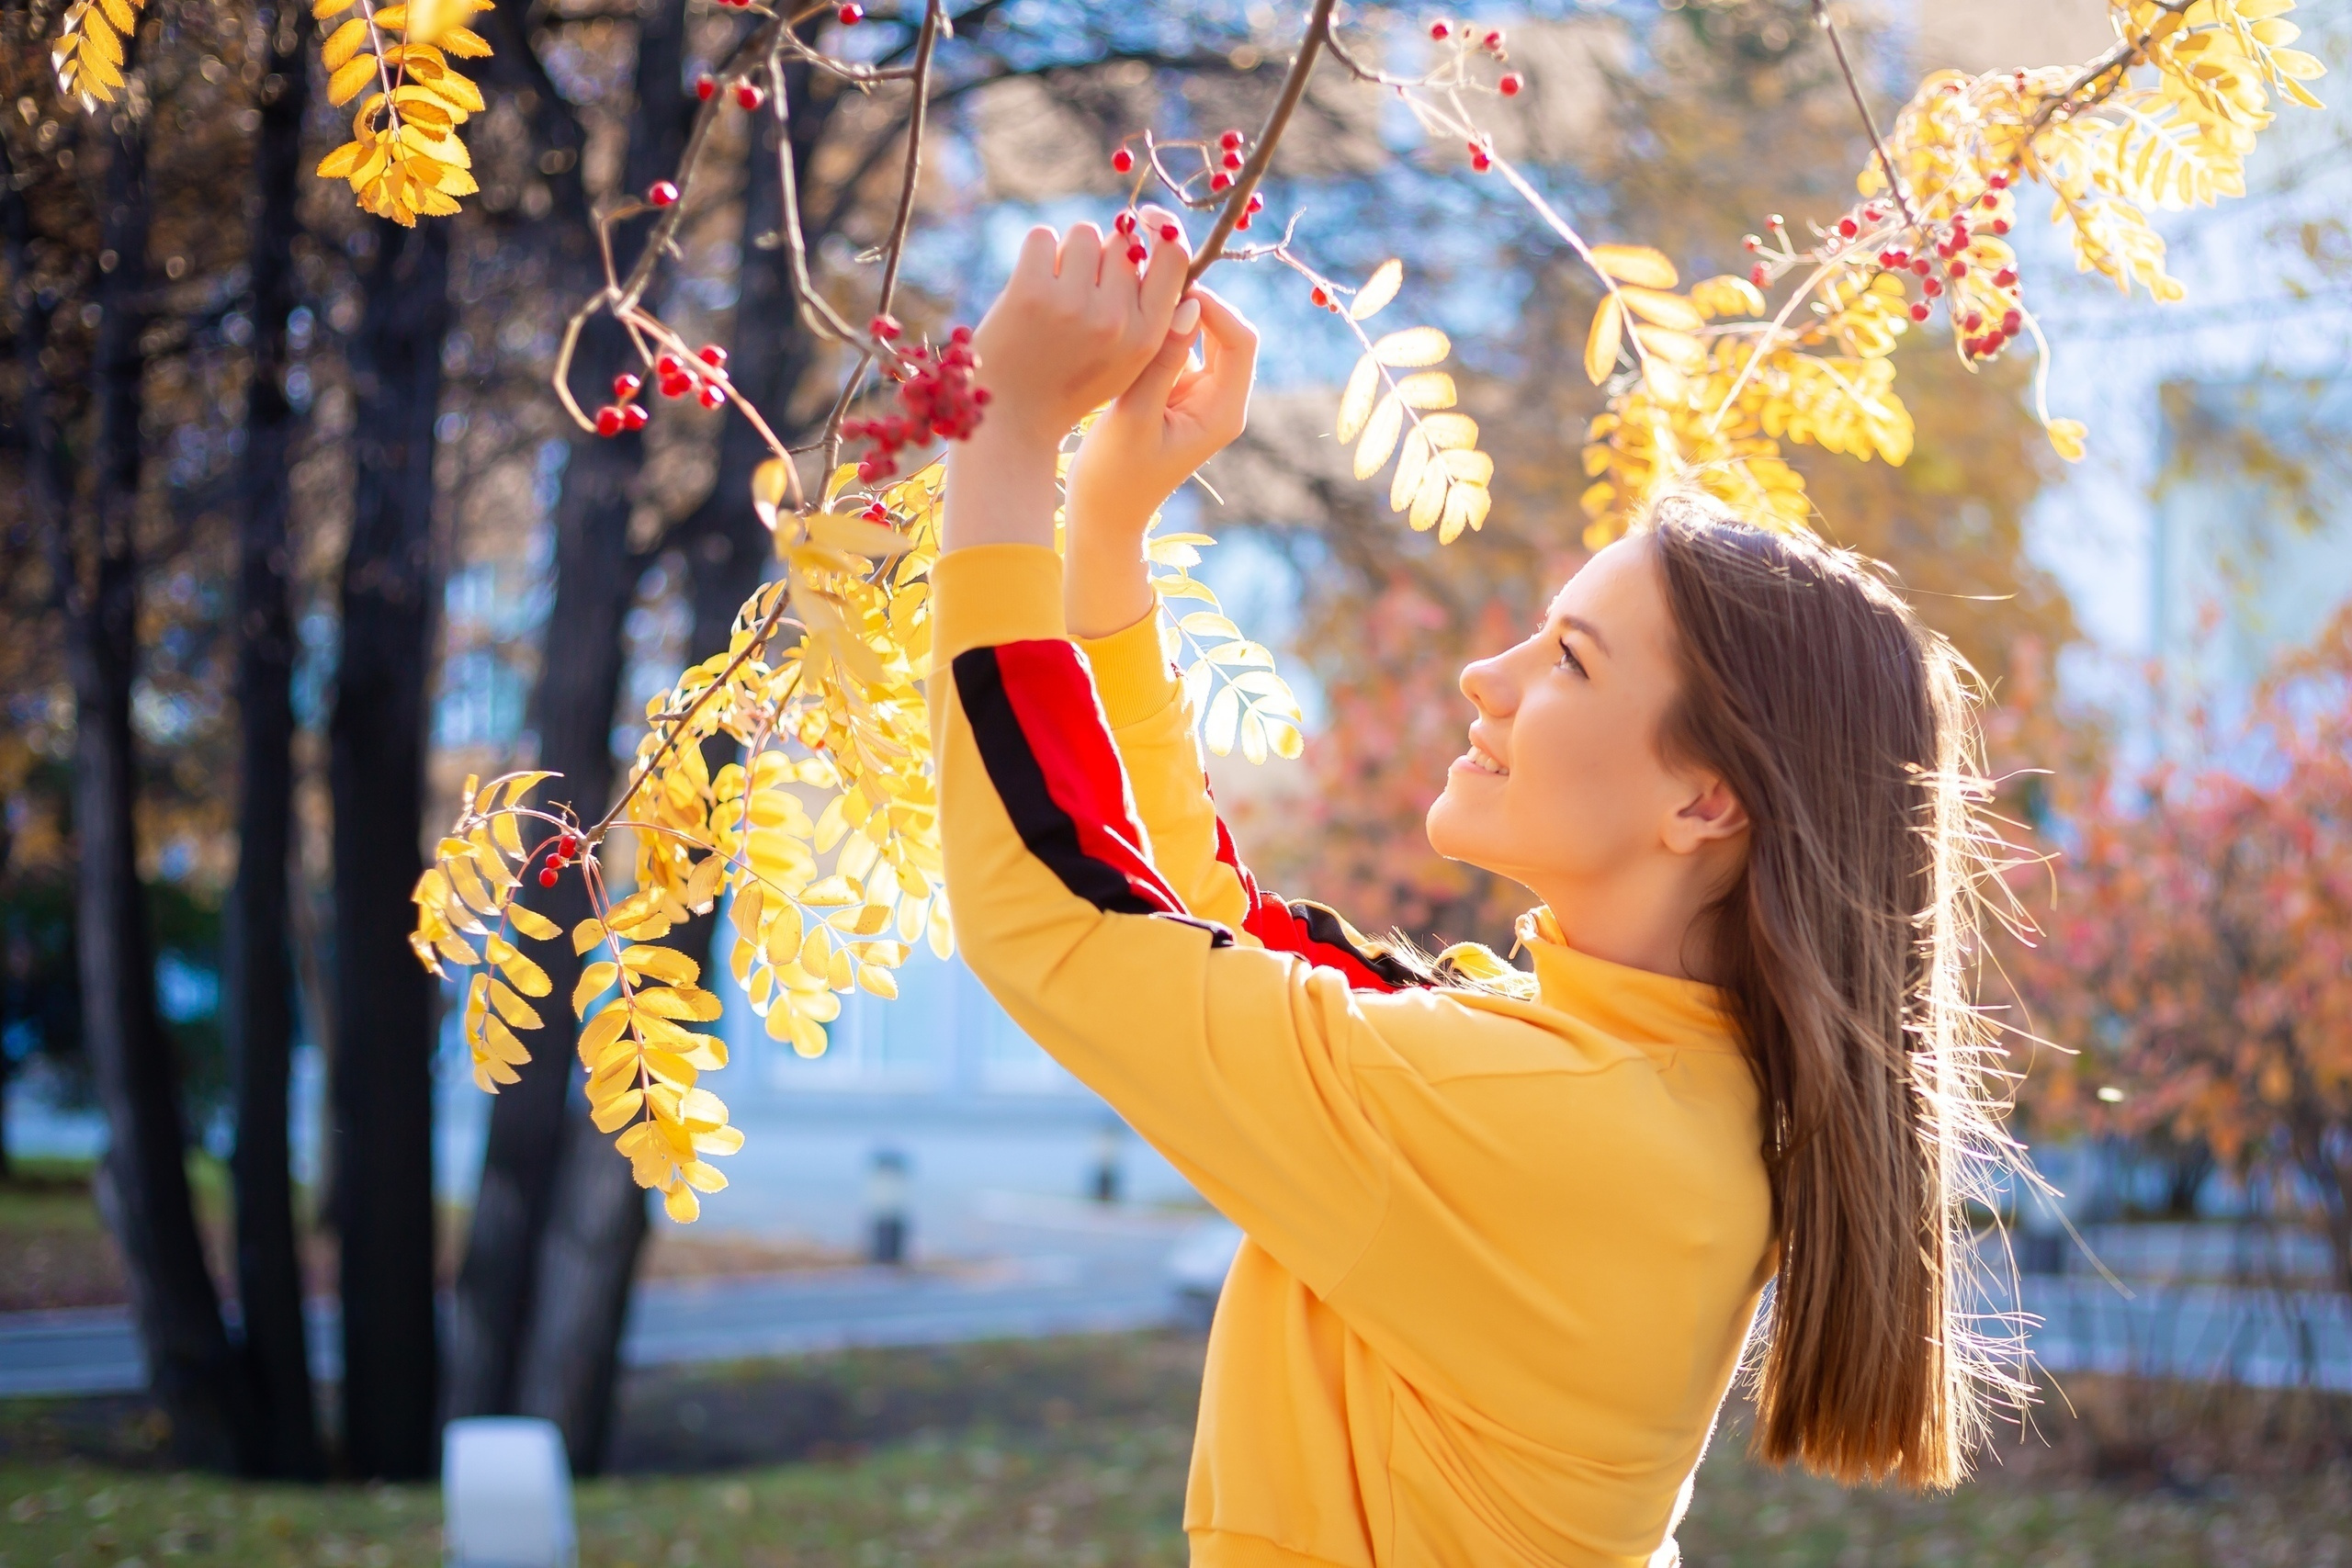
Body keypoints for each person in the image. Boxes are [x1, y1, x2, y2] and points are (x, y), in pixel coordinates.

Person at [931, 213, 2016, 1568]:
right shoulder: (1623, 1081)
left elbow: (1063, 921)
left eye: (1567, 658)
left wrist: (1003, 434)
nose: (1484, 677)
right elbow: (1212, 931)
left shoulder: (1535, 1113)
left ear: (1706, 802)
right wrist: (1102, 523)